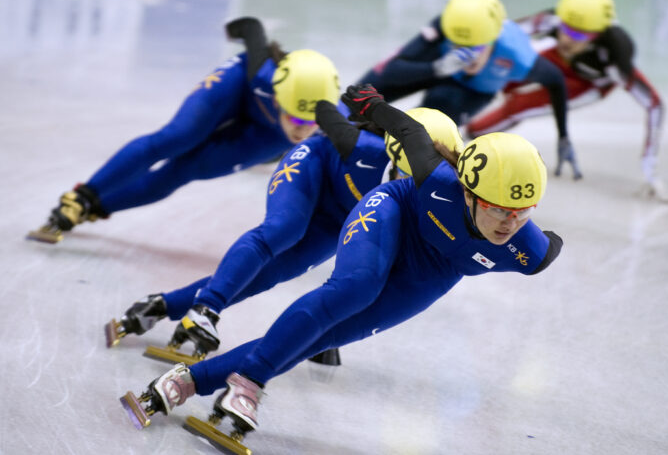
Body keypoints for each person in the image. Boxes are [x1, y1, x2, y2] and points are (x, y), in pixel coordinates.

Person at [119, 84, 562, 453]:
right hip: (391, 215)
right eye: (498, 208)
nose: (510, 221)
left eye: (523, 211)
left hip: (432, 271)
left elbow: (549, 246)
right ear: (467, 191)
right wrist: (370, 105)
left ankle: (187, 381)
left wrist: (534, 230)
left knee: (331, 334)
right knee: (356, 287)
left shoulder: (528, 250)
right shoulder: (436, 180)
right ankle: (249, 383)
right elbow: (408, 130)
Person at [105, 101, 463, 368]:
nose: (415, 186)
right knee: (282, 230)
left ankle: (161, 305)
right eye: (407, 174)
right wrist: (344, 109)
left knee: (274, 272)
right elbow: (324, 111)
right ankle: (206, 309)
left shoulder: (444, 197)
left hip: (338, 216)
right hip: (311, 169)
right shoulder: (363, 150)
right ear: (392, 154)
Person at [27, 17, 341, 243]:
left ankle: (93, 209)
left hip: (266, 133)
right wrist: (235, 30)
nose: (303, 131)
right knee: (178, 138)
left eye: (314, 122)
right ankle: (80, 196)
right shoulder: (262, 72)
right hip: (235, 89)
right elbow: (252, 28)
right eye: (297, 119)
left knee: (186, 170)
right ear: (277, 98)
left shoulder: (331, 117)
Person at [466, 0, 668, 201]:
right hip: (561, 59)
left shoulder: (615, 54)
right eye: (565, 28)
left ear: (597, 35)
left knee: (519, 106)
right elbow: (502, 31)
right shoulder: (554, 19)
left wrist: (650, 168)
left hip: (588, 84)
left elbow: (654, 104)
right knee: (504, 67)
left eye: (577, 33)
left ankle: (469, 135)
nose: (566, 38)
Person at [356, 0, 575, 174]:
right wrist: (437, 67)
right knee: (360, 95)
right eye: (458, 45)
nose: (466, 56)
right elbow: (390, 71)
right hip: (440, 68)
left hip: (472, 92)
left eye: (475, 47)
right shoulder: (445, 26)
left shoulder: (517, 56)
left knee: (428, 119)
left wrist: (563, 136)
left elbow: (556, 82)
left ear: (493, 40)